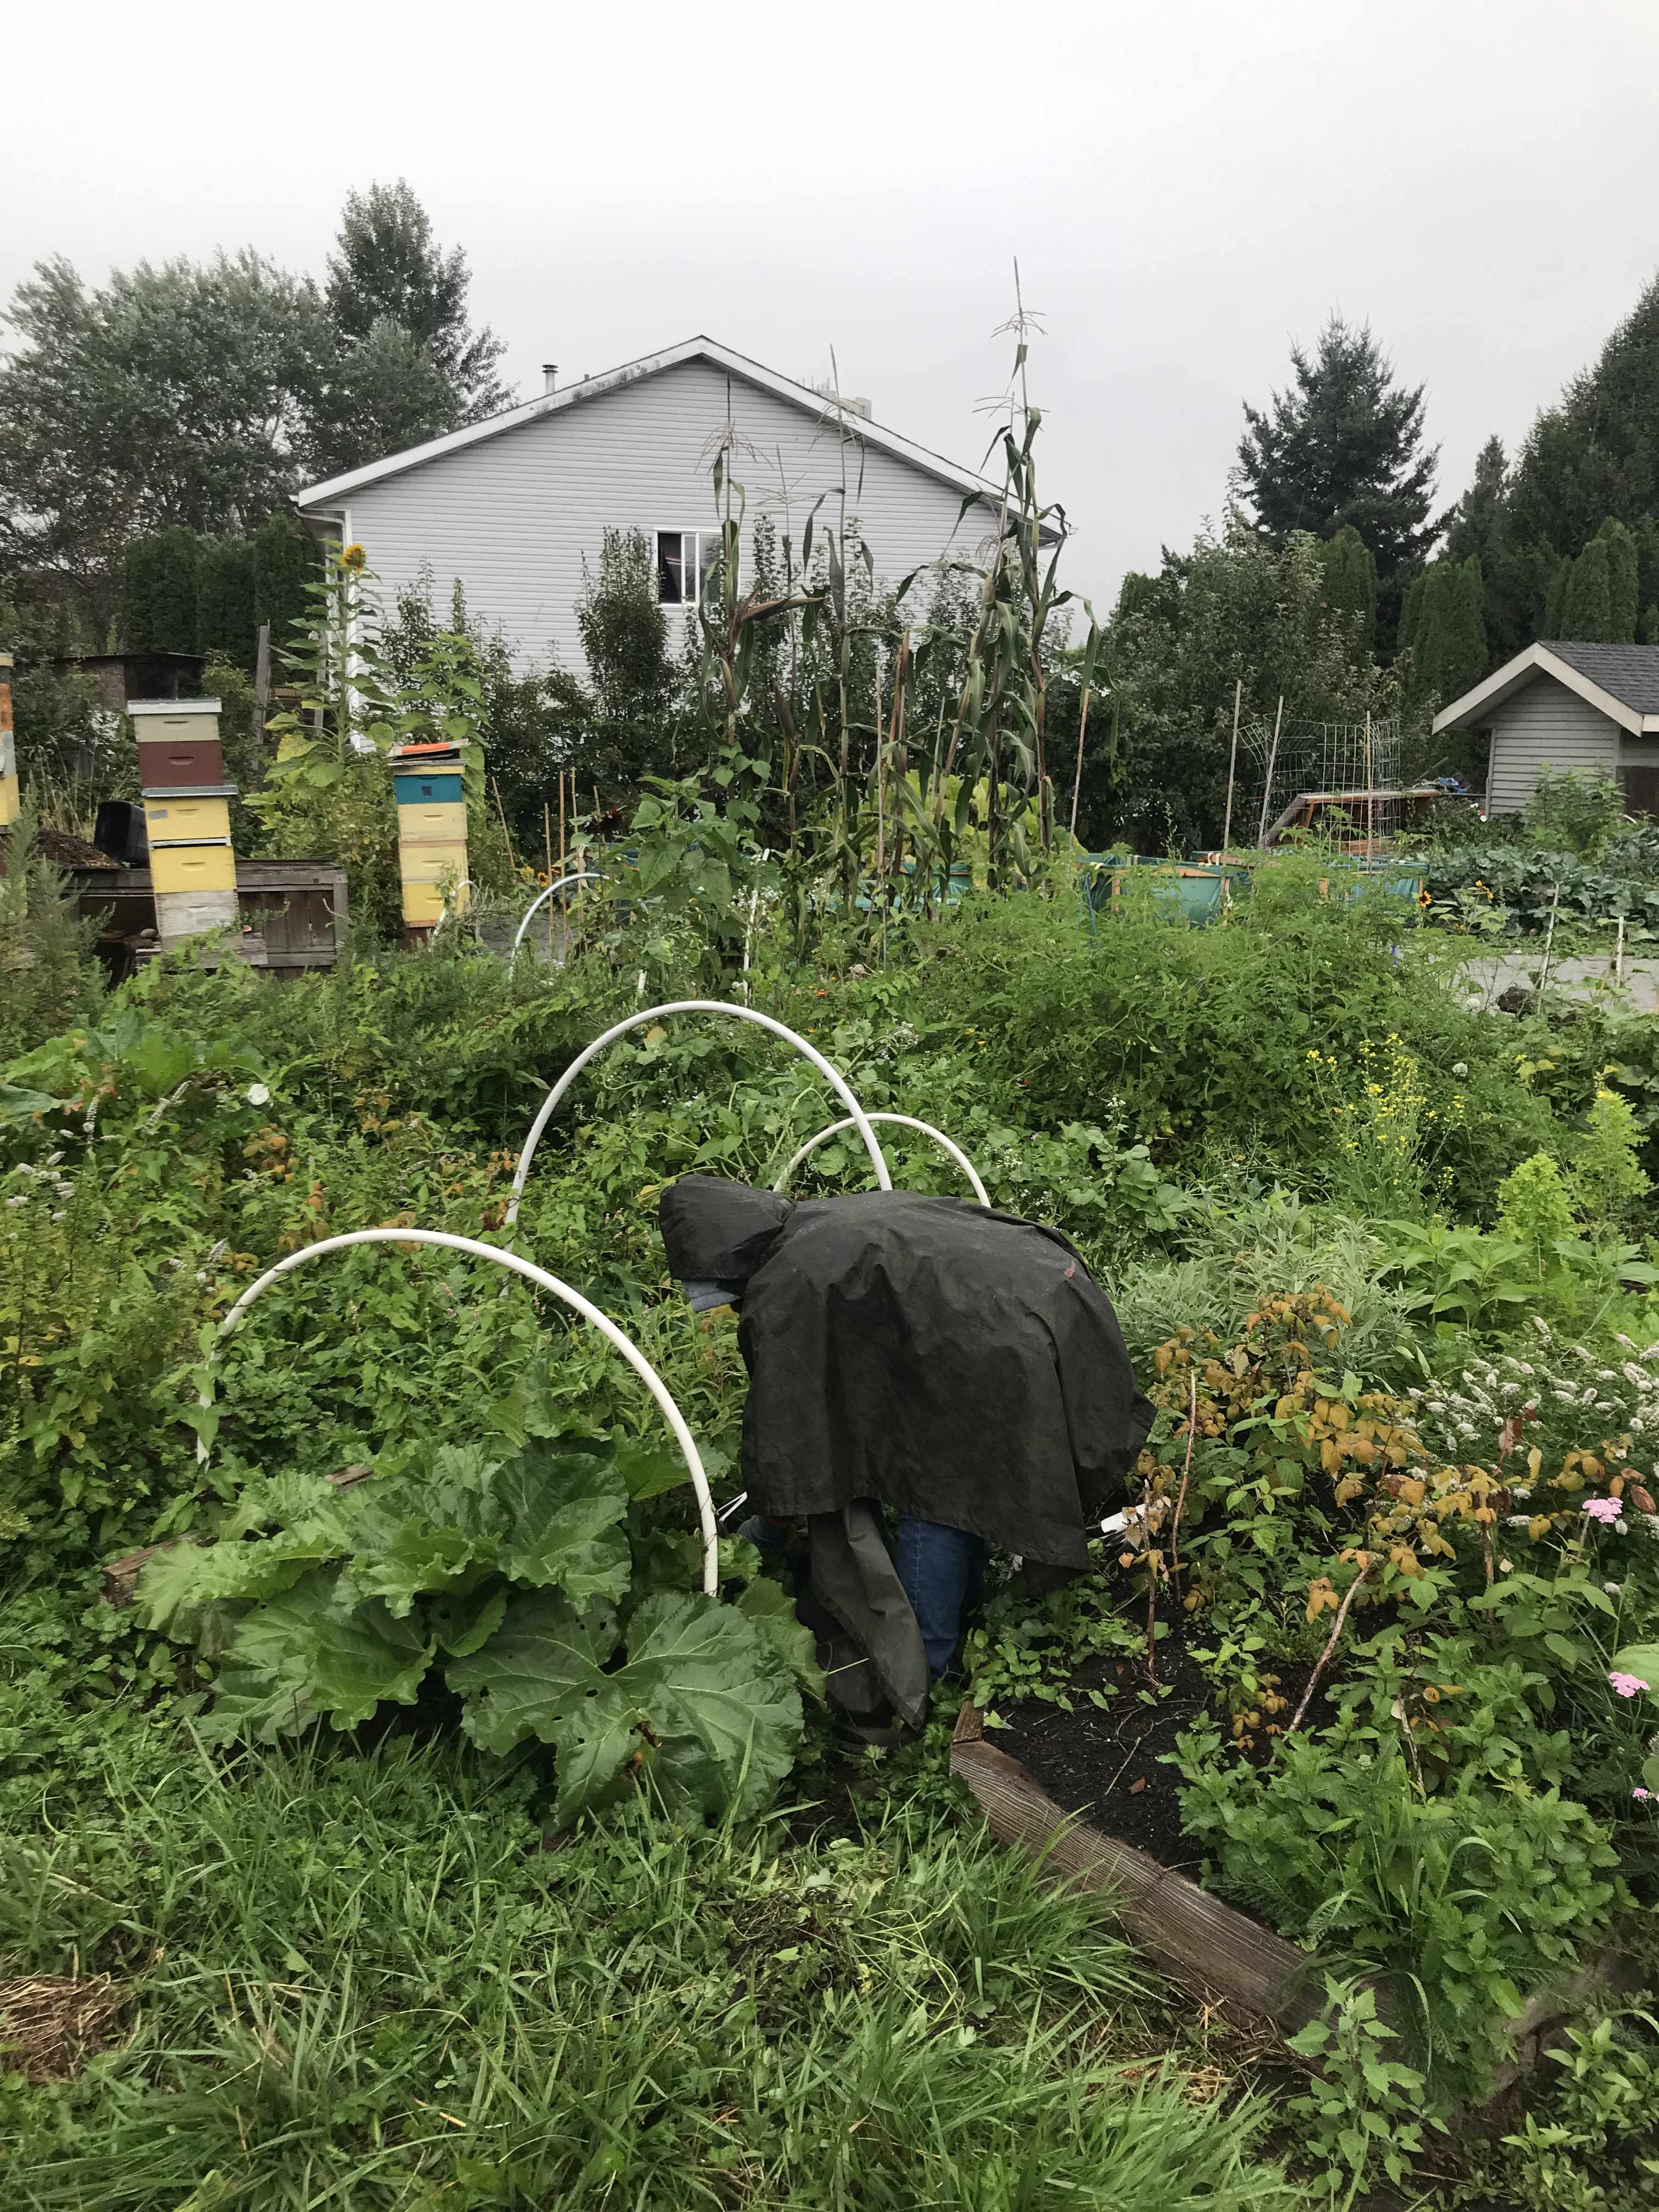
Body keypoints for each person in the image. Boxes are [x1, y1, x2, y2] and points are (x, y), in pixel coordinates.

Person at [659, 1175, 1154, 1733]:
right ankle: (967, 1608)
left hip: (998, 1334)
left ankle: (927, 1671)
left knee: (930, 1483)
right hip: (1052, 1287)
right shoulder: (823, 1218)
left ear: (722, 1268)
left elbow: (788, 1432)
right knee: (958, 1465)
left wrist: (767, 1531)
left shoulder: (786, 1282)